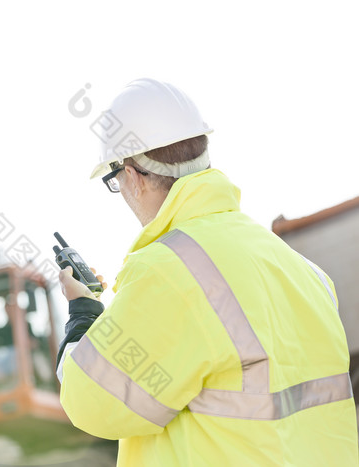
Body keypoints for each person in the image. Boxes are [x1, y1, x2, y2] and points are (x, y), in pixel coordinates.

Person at [55, 78, 358, 466]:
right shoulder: (301, 268)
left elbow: (92, 401)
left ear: (130, 174)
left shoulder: (169, 270)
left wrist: (83, 315)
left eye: (114, 182)